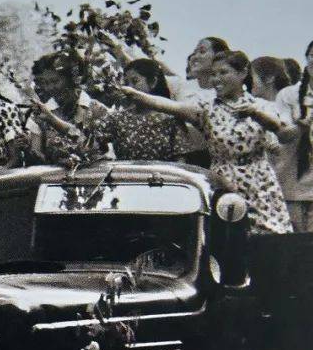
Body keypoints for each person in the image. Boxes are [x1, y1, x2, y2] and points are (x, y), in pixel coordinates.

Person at [119, 50, 296, 234]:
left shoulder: (262, 106)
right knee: (222, 241)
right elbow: (168, 106)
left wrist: (257, 114)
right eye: (213, 74)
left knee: (268, 239)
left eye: (223, 72)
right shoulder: (206, 107)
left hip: (259, 183)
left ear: (243, 73)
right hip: (222, 182)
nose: (216, 79)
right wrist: (134, 94)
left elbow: (286, 134)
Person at [274, 36, 313, 233]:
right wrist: (307, 121)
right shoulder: (288, 95)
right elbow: (282, 135)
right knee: (292, 250)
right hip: (291, 185)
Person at [27, 52, 110, 167]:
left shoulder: (98, 110)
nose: (50, 88)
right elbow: (38, 160)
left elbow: (93, 150)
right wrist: (28, 149)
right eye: (45, 83)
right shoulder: (40, 115)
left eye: (55, 81)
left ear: (72, 80)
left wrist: (53, 120)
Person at [95, 58, 187, 162]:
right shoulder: (117, 118)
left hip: (162, 177)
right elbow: (93, 146)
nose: (129, 88)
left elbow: (181, 162)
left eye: (135, 81)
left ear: (153, 82)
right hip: (125, 176)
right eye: (126, 83)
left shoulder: (172, 120)